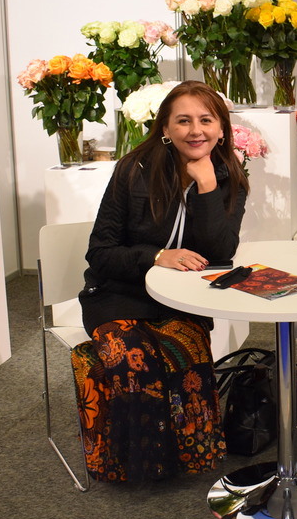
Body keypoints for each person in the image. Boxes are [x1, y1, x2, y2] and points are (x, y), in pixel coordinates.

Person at [77, 80, 248, 483]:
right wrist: (157, 256)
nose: (196, 130)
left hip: (181, 300)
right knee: (132, 358)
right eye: (183, 121)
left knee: (187, 348)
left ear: (222, 128)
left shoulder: (230, 177)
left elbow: (219, 255)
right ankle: (139, 463)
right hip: (119, 293)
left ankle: (190, 456)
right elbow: (100, 252)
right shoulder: (134, 169)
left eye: (206, 120)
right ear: (166, 128)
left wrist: (207, 186)